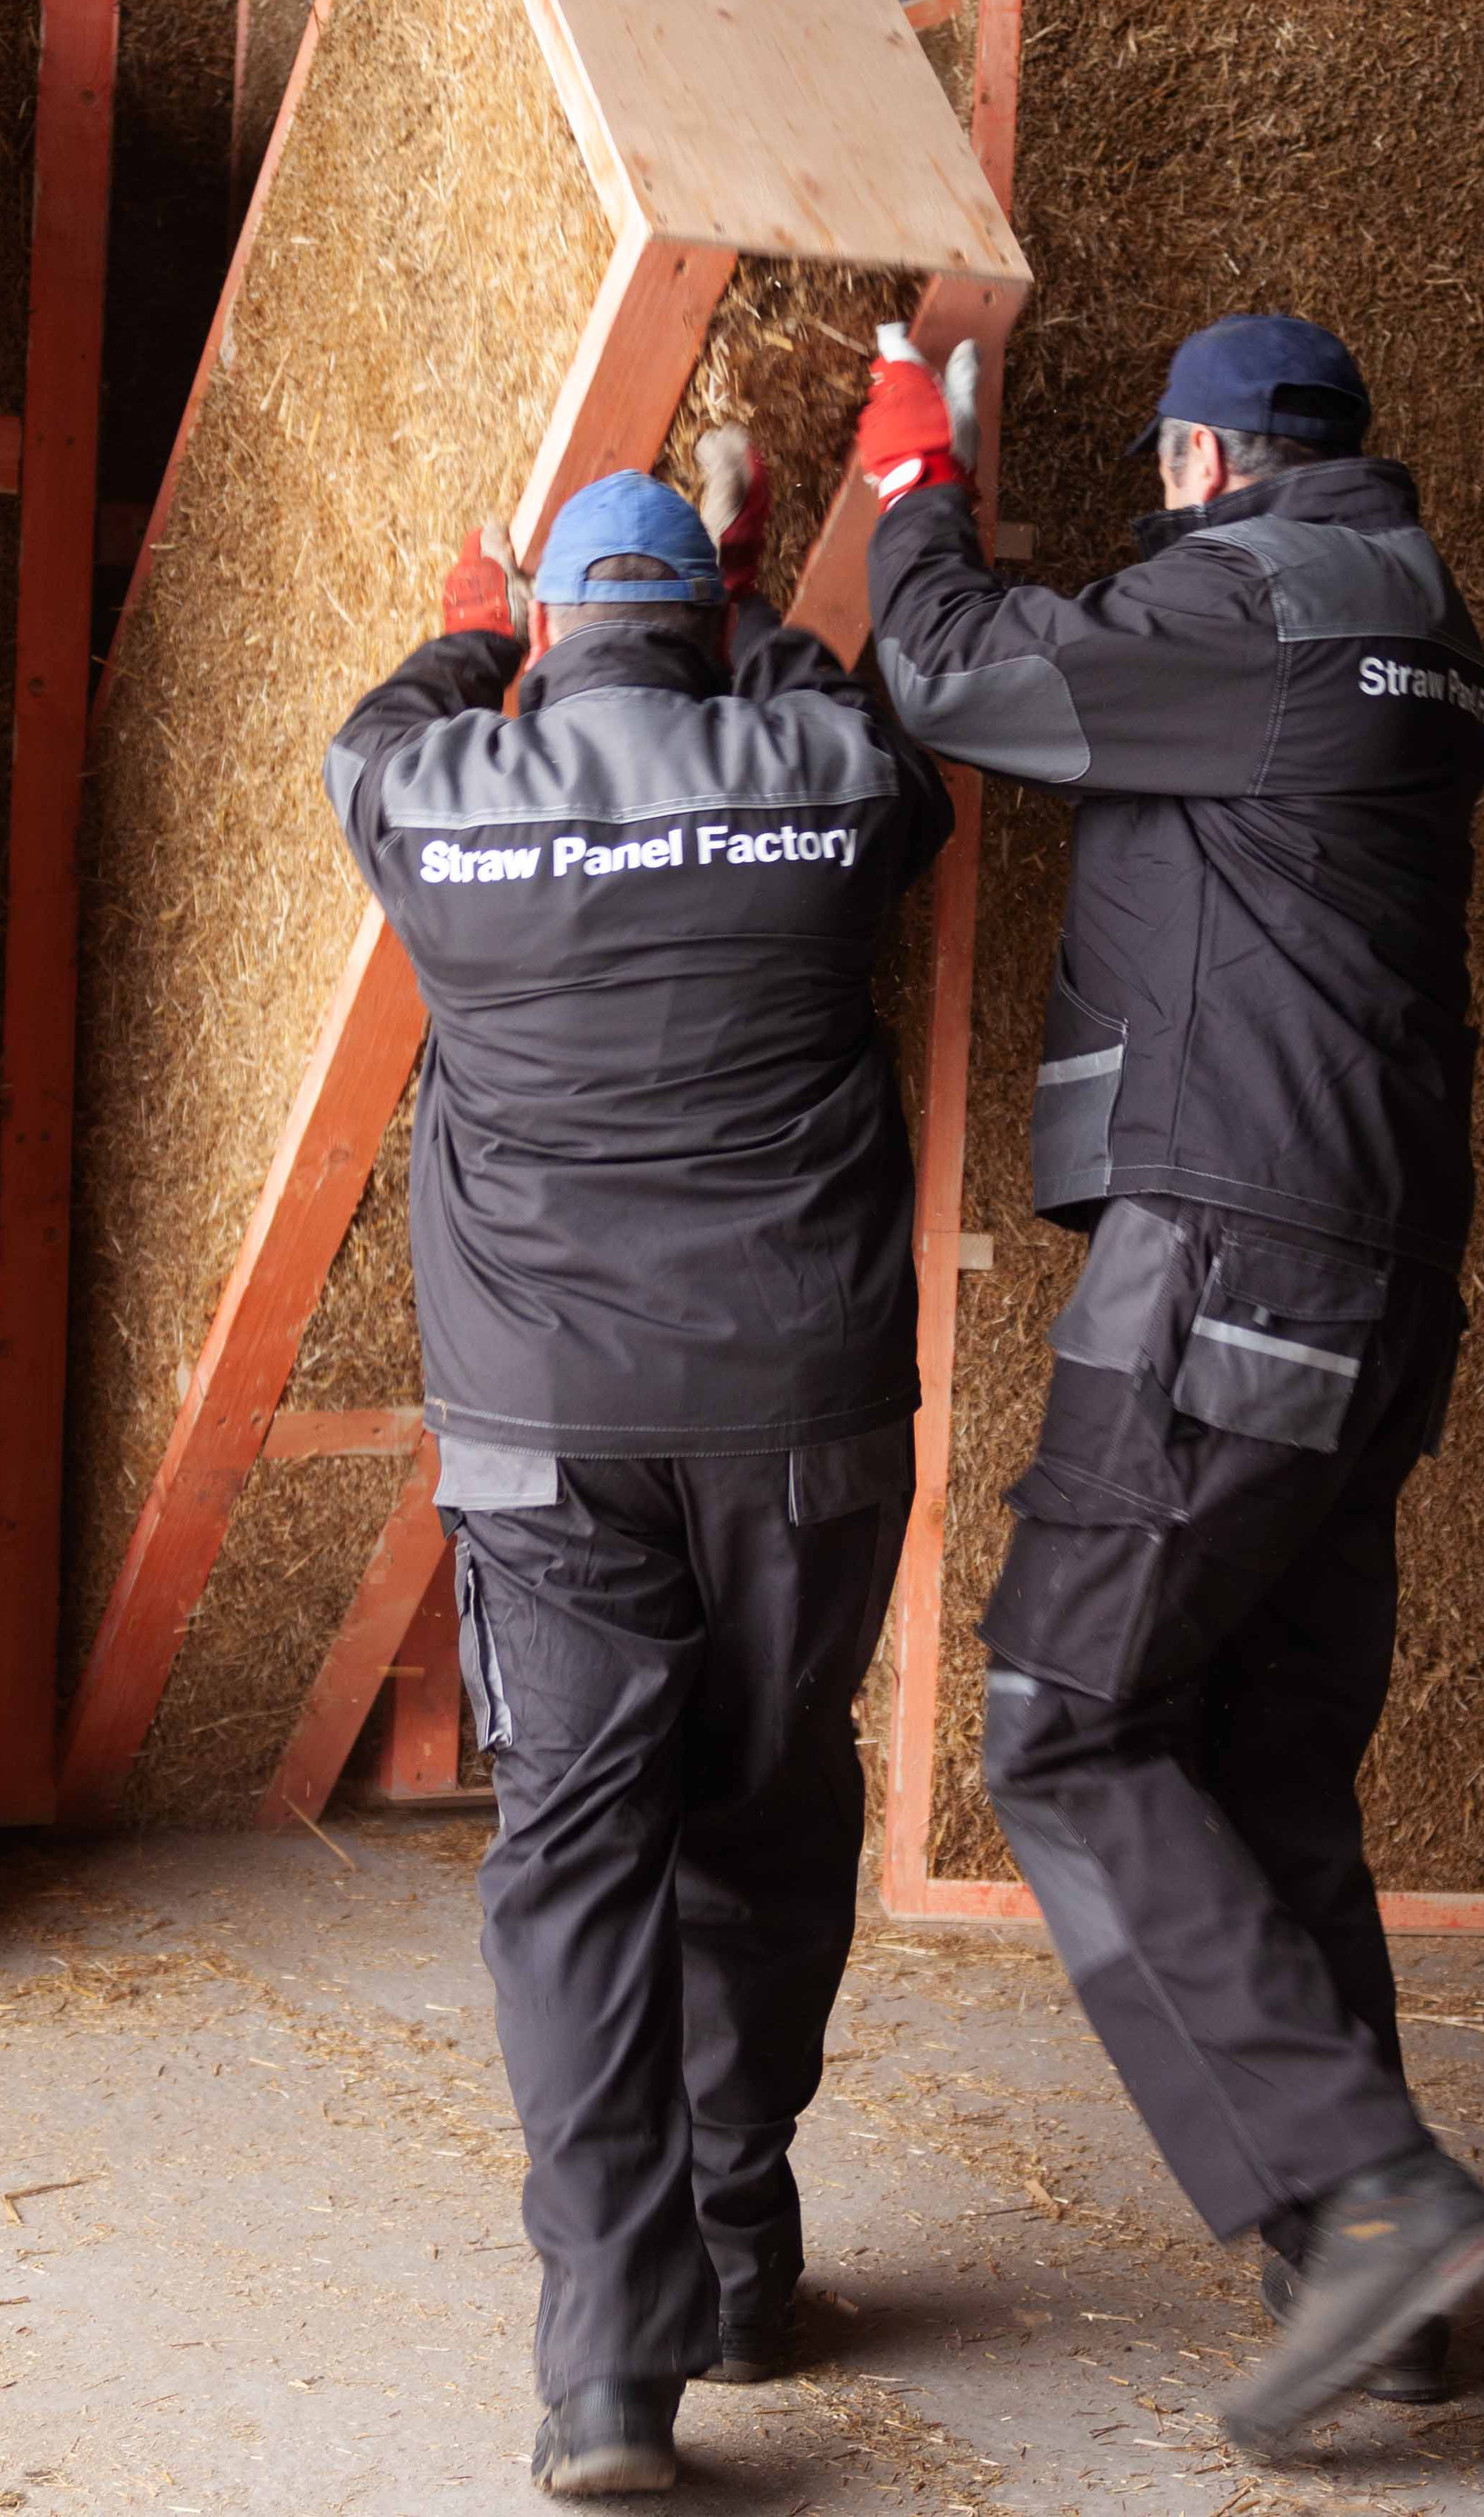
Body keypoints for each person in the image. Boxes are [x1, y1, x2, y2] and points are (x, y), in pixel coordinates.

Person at [852, 313, 1484, 2458]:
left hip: (1235, 1243)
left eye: (1161, 467)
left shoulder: (1240, 601)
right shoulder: (1414, 608)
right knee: (1259, 1757)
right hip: (1378, 1258)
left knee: (1069, 1718)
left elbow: (951, 674)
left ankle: (1381, 2202)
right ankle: (1375, 2286)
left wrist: (906, 487)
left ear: (1211, 462)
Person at [322, 454, 954, 2498]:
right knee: (767, 1808)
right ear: (705, 626)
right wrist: (758, 599)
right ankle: (742, 2240)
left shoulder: (442, 801)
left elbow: (380, 730)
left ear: (551, 648)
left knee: (577, 1857)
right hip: (799, 1415)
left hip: (545, 1436)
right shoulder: (824, 778)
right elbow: (865, 732)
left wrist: (476, 619)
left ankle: (608, 2363)